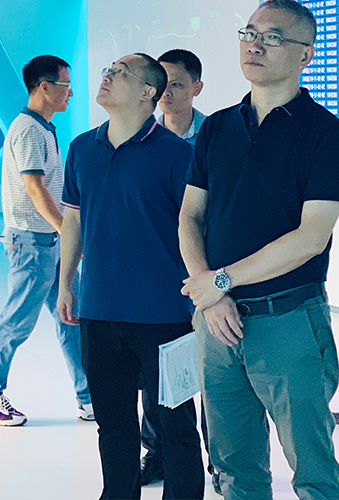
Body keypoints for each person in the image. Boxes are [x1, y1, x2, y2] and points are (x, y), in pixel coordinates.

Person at [178, 1, 339, 498]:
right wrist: (211, 297)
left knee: (312, 469)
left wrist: (220, 281)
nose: (255, 45)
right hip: (217, 323)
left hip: (287, 321)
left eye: (272, 37)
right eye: (249, 33)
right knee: (232, 466)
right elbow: (190, 216)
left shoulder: (327, 135)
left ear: (305, 55)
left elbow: (311, 237)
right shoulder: (217, 127)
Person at [56, 53, 204, 499]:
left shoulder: (178, 154)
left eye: (119, 73)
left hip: (166, 316)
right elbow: (74, 219)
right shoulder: (82, 148)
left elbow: (197, 226)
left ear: (147, 93)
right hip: (99, 311)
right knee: (113, 425)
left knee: (175, 427)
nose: (106, 76)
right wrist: (66, 282)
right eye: (108, 70)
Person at [0, 55, 93, 427]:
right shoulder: (28, 130)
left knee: (72, 317)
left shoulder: (43, 128)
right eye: (66, 86)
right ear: (44, 87)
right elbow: (34, 189)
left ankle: (89, 397)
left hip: (49, 242)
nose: (71, 93)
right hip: (32, 243)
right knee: (17, 321)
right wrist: (67, 230)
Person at [139, 48, 213, 490]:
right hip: (159, 273)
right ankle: (158, 455)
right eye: (161, 85)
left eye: (178, 85)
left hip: (203, 271)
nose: (166, 93)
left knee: (213, 378)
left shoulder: (214, 136)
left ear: (197, 88)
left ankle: (218, 462)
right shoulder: (143, 136)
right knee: (159, 377)